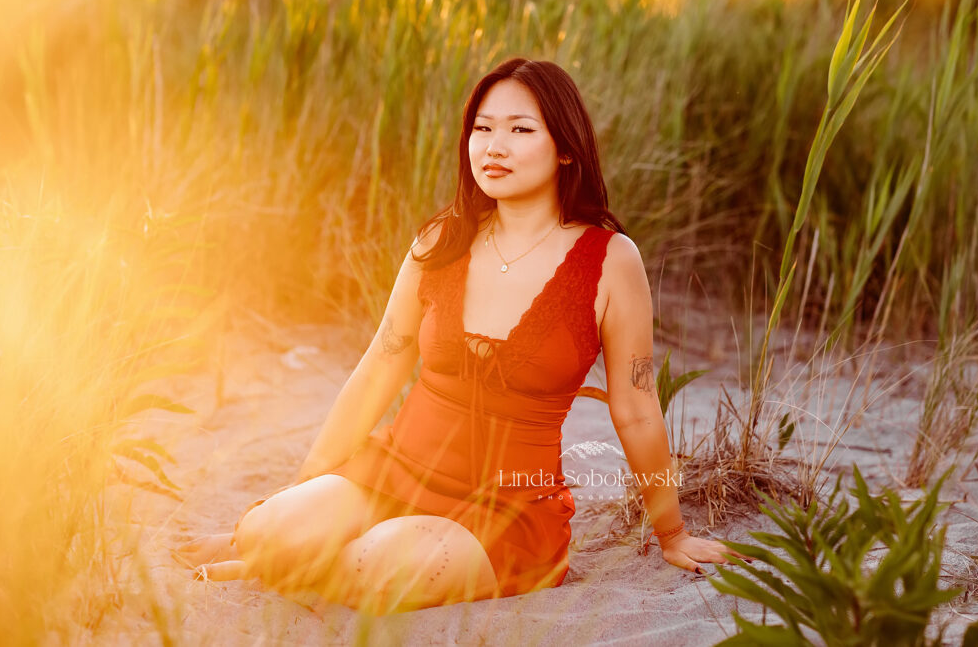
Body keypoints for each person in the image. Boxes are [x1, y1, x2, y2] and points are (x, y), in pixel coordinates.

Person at [173, 57, 750, 614]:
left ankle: (281, 562)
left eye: (520, 129)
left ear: (566, 148)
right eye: (482, 128)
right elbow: (380, 366)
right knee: (273, 528)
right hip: (395, 471)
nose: (494, 146)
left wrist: (671, 533)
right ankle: (275, 549)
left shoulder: (610, 260)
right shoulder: (439, 242)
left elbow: (638, 405)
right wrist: (295, 499)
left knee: (369, 567)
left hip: (508, 511)